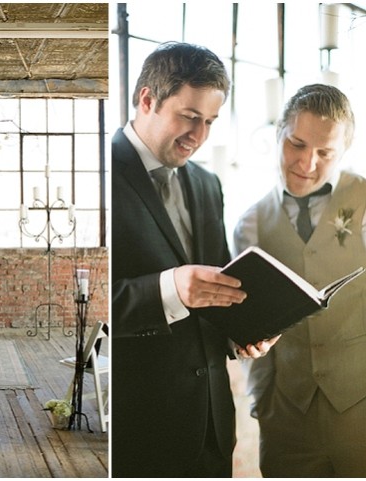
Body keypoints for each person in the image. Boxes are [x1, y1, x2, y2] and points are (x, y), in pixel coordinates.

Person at [234, 83, 366, 477]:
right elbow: (250, 324)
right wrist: (262, 402)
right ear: (279, 136)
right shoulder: (250, 224)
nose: (307, 162)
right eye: (297, 144)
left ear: (343, 153)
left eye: (325, 153)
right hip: (286, 420)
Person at [112, 41, 277, 478]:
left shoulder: (207, 184)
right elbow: (90, 305)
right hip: (137, 434)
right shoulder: (102, 172)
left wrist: (242, 333)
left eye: (210, 122)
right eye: (189, 117)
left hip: (212, 430)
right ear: (147, 99)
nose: (199, 136)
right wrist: (170, 290)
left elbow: (219, 284)